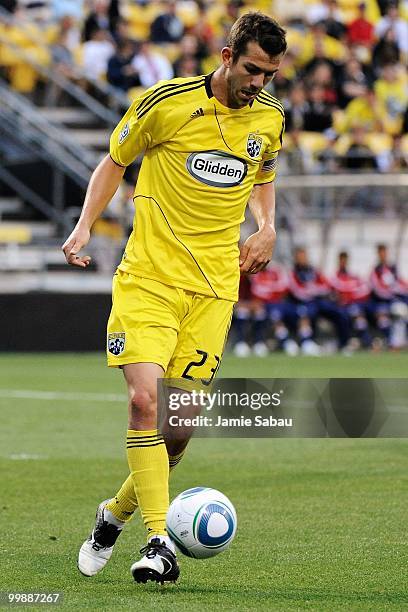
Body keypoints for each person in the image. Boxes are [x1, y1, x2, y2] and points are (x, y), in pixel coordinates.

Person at [62, 12, 287, 585]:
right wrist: (87, 225)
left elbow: (263, 174)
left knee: (178, 428)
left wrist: (266, 226)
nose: (259, 83)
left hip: (215, 290)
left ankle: (113, 516)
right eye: (253, 69)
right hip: (149, 280)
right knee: (145, 404)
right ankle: (159, 542)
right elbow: (114, 161)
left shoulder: (270, 118)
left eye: (270, 74)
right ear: (226, 54)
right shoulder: (167, 102)